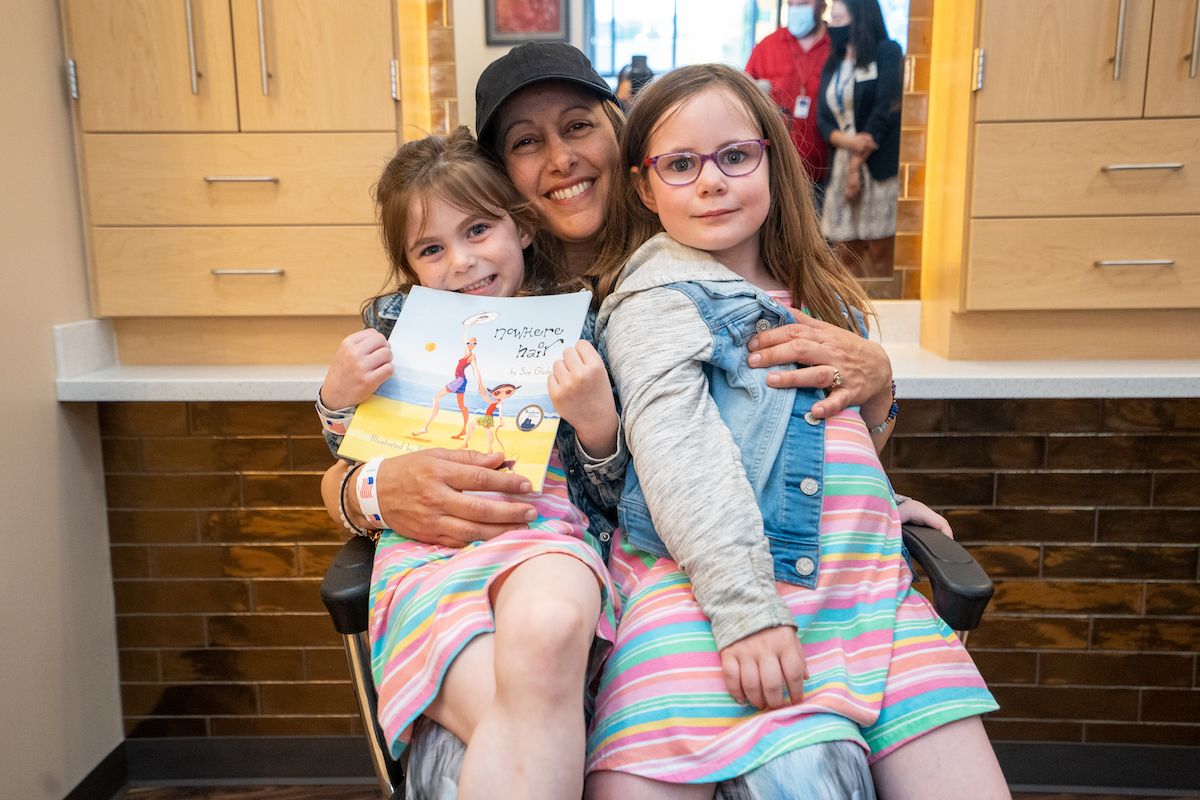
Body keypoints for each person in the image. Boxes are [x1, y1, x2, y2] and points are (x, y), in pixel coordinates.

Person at [584, 63, 1009, 799]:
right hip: (723, 589)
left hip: (866, 586)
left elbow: (812, 429)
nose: (712, 181)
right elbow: (680, 455)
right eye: (681, 165)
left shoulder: (819, 296)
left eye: (735, 156)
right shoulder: (656, 301)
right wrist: (746, 614)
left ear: (772, 162)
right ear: (644, 188)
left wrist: (875, 484)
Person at [319, 127, 622, 800]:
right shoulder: (397, 330)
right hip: (428, 557)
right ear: (410, 264)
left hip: (543, 535)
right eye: (431, 248)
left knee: (548, 634)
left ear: (522, 230)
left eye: (478, 230)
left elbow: (613, 493)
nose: (460, 262)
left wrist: (599, 423)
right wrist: (336, 399)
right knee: (530, 727)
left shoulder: (578, 327)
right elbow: (352, 459)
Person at [817, 0, 904, 280]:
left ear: (859, 18)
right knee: (844, 254)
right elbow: (823, 118)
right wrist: (847, 142)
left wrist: (857, 160)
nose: (833, 26)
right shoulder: (833, 62)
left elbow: (886, 108)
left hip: (875, 163)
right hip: (841, 162)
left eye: (839, 19)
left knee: (880, 255)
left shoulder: (887, 53)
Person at [746, 0, 833, 199]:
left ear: (821, 6)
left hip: (827, 174)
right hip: (776, 172)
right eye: (792, 4)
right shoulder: (768, 46)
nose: (796, 10)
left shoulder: (837, 46)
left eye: (802, 3)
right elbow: (744, 96)